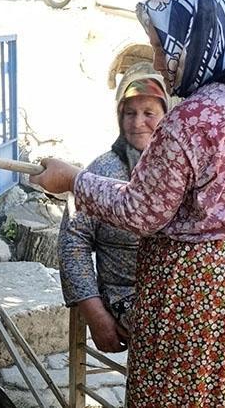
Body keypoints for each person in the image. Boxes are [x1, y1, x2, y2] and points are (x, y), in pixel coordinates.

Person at [31, 0, 225, 406]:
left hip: (204, 294)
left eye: (162, 48)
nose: (158, 61)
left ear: (200, 42)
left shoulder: (193, 118)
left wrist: (72, 181)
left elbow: (142, 211)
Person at [58, 62, 168, 353]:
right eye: (129, 113)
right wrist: (95, 314)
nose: (137, 123)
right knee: (175, 334)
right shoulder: (100, 171)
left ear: (167, 117)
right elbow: (73, 241)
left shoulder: (177, 167)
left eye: (149, 113)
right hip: (125, 295)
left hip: (172, 292)